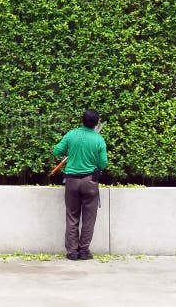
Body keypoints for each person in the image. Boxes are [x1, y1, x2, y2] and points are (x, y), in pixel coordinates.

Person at [52, 110, 107, 261]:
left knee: (72, 216)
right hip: (90, 182)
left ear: (82, 120)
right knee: (89, 218)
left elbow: (56, 151)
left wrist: (69, 150)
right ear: (96, 123)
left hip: (71, 181)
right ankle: (84, 251)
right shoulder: (98, 139)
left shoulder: (71, 134)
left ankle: (72, 252)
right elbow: (103, 163)